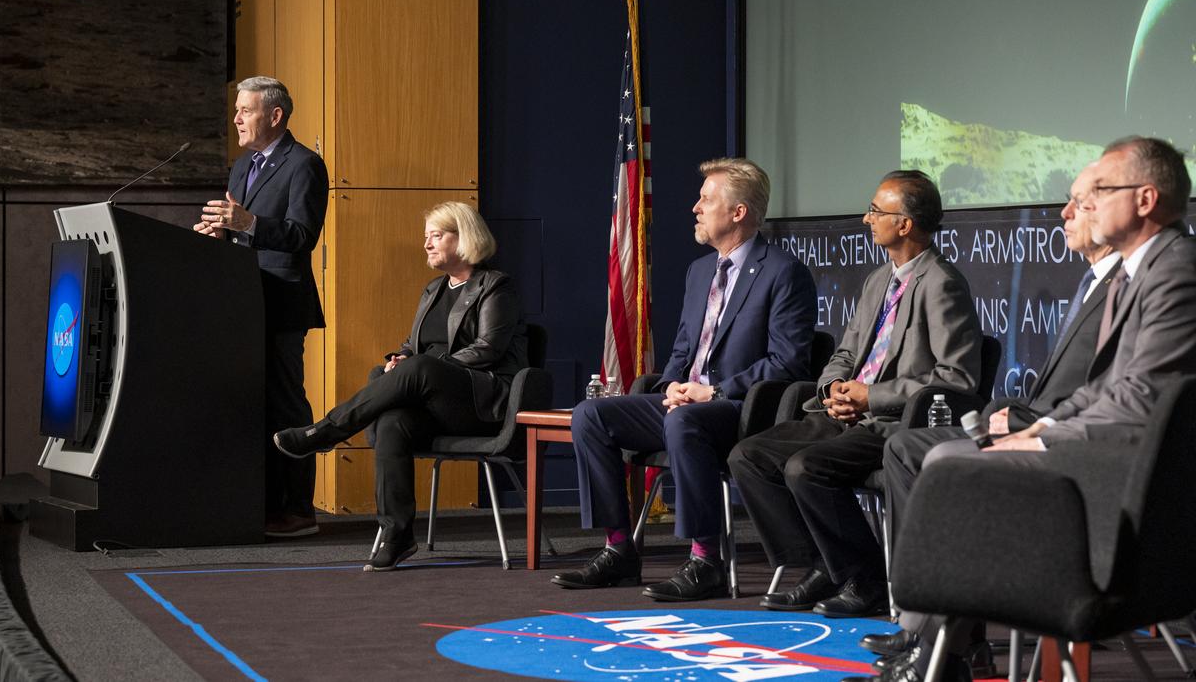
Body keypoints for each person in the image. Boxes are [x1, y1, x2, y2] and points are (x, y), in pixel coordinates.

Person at [850, 137, 1196, 682]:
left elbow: (1143, 399)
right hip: (1100, 451)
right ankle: (938, 652)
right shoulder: (1141, 270)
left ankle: (934, 655)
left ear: (1146, 199)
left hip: (1122, 477)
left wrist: (1042, 438)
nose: (1077, 208)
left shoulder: (1175, 270)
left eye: (1099, 192)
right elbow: (1101, 388)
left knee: (951, 465)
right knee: (948, 459)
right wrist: (1044, 423)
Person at [552, 158, 817, 601]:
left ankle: (704, 560)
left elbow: (788, 362)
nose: (695, 207)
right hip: (687, 402)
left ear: (739, 212)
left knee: (684, 423)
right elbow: (682, 351)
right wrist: (671, 385)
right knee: (590, 416)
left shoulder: (783, 272)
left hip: (741, 409)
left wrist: (712, 391)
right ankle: (619, 549)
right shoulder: (700, 273)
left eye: (706, 199)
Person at [727, 170, 982, 619]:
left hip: (894, 423)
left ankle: (865, 580)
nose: (867, 219)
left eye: (877, 211)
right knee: (749, 455)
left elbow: (956, 378)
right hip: (844, 411)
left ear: (904, 224)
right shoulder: (878, 279)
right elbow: (846, 351)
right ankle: (825, 564)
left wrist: (872, 396)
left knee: (807, 468)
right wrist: (834, 387)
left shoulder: (941, 282)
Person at [273, 201, 528, 571]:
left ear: (466, 238)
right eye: (426, 236)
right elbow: (414, 346)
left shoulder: (496, 286)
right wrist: (399, 358)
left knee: (420, 368)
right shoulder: (433, 290)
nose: (426, 244)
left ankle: (326, 432)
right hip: (435, 401)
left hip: (481, 401)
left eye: (436, 235)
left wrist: (420, 366)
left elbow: (487, 350)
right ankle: (397, 534)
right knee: (393, 422)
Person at [194, 76, 329, 539]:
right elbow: (242, 231)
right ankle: (261, 503)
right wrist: (222, 233)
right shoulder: (241, 166)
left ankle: (298, 510)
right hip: (242, 303)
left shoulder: (305, 165)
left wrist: (248, 222)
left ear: (275, 116)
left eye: (245, 111)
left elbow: (301, 237)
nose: (235, 119)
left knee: (287, 405)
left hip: (282, 304)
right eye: (236, 110)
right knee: (251, 405)